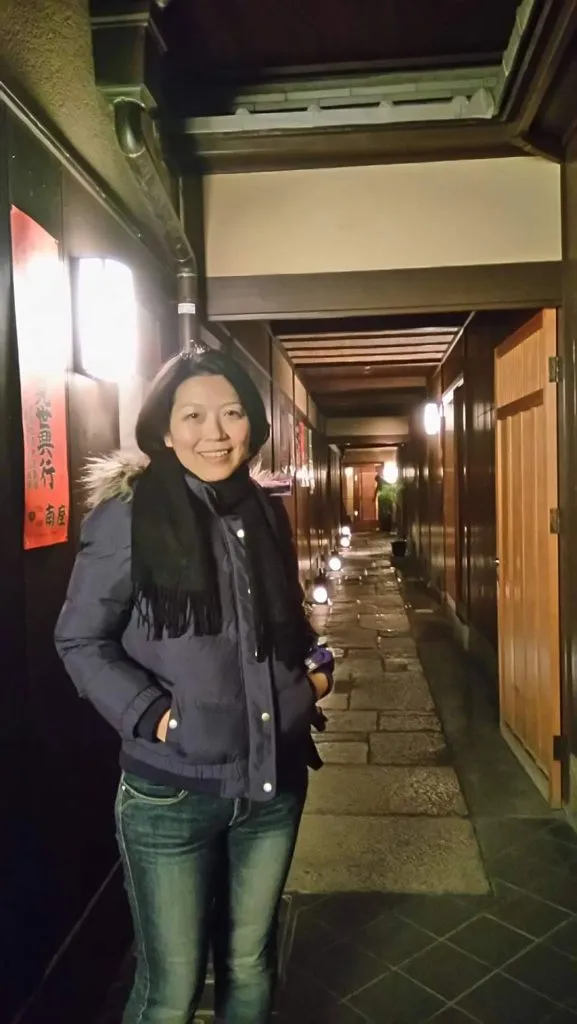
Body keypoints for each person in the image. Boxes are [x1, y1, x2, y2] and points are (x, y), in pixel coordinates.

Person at [54, 348, 333, 1024]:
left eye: (232, 414)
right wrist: (156, 717)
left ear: (252, 423)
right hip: (170, 793)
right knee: (170, 989)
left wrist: (313, 675)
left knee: (250, 965)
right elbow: (79, 639)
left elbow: (284, 621)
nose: (216, 433)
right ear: (165, 428)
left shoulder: (265, 512)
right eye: (194, 416)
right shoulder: (127, 517)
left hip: (271, 781)